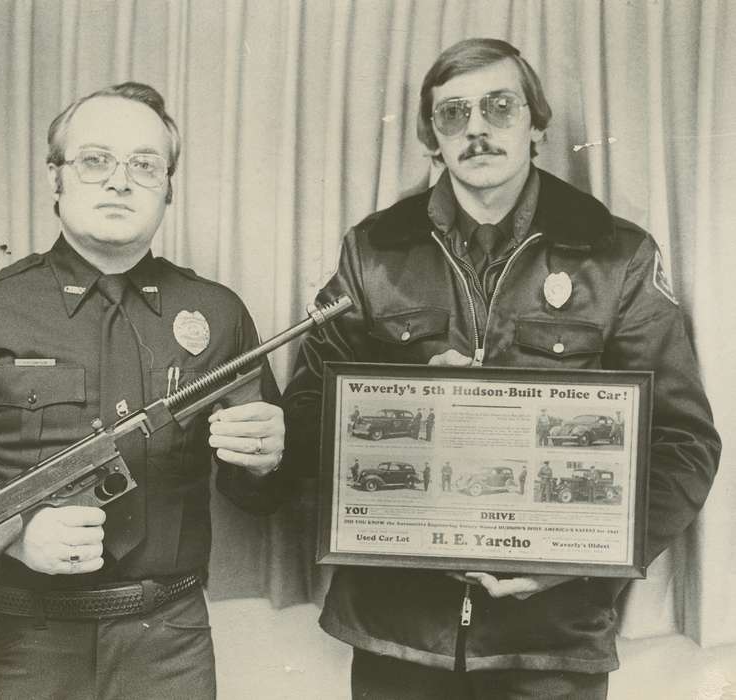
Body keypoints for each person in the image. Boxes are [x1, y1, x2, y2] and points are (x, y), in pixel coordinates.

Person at [282, 38, 719, 699]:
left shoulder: (616, 254)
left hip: (551, 645)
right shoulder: (372, 251)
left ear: (535, 123)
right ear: (432, 137)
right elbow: (311, 418)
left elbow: (683, 445)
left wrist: (576, 561)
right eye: (452, 114)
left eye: (498, 106)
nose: (476, 128)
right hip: (396, 636)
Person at [0, 82, 286, 700]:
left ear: (168, 187)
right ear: (55, 179)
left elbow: (256, 497)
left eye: (145, 164)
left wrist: (267, 460)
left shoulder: (217, 315)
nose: (120, 181)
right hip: (19, 644)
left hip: (168, 642)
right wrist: (11, 531)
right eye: (95, 160)